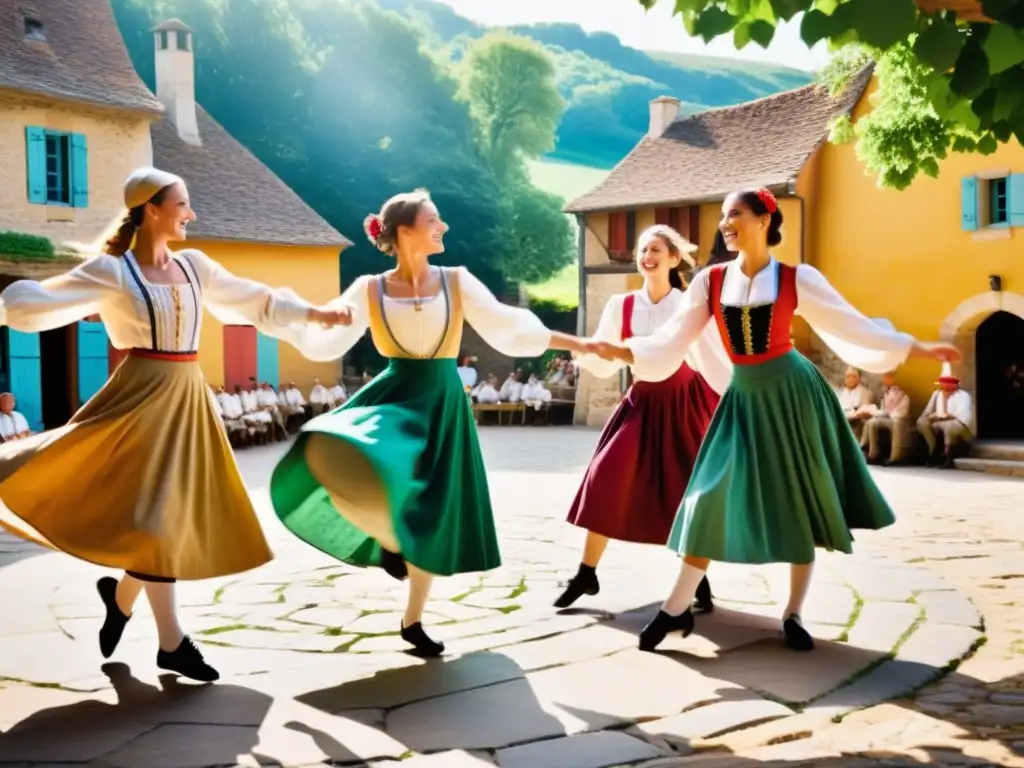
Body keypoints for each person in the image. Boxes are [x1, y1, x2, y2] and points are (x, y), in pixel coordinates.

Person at [0, 167, 349, 682]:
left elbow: (252, 299)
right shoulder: (113, 271)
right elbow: (36, 303)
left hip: (187, 396)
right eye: (183, 203)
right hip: (139, 397)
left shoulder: (195, 266)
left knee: (163, 520)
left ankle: (122, 601)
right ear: (152, 209)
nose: (192, 213)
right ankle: (171, 641)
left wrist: (313, 313)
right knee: (157, 521)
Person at [588, 188, 960, 653]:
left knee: (798, 499)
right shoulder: (710, 282)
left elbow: (852, 325)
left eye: (736, 215)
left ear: (765, 219)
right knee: (708, 497)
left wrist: (916, 348)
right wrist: (620, 349)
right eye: (723, 216)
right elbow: (670, 338)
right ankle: (675, 608)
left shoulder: (796, 277)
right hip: (742, 395)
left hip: (792, 393)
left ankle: (793, 613)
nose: (726, 224)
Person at [270, 188, 590, 657]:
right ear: (404, 231)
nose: (442, 227)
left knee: (434, 509)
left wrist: (575, 343)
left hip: (443, 401)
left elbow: (508, 324)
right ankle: (389, 541)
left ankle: (413, 619)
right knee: (328, 448)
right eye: (433, 219)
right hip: (396, 393)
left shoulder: (456, 281)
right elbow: (325, 336)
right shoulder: (369, 288)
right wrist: (278, 314)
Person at [555, 225, 732, 612]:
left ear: (673, 258)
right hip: (641, 400)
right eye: (642, 249)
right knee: (606, 476)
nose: (647, 255)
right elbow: (603, 350)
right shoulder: (621, 305)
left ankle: (697, 580)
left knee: (688, 492)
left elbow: (713, 354)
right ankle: (587, 573)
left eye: (655, 249)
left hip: (685, 401)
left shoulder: (689, 303)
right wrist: (583, 355)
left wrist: (734, 396)